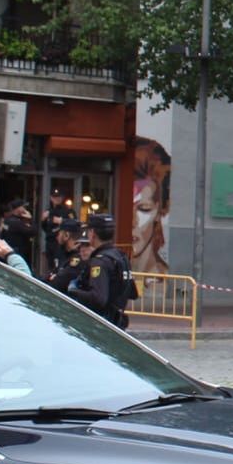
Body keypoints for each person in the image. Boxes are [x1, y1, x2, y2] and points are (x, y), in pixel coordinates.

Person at [67, 213, 134, 327]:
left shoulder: (99, 261)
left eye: (88, 231)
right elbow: (133, 292)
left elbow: (98, 299)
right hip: (116, 322)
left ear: (92, 233)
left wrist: (73, 291)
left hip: (101, 323)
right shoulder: (120, 256)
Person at [133, 137, 173, 275]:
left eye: (144, 209)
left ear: (159, 211)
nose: (132, 221)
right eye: (124, 209)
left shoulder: (166, 280)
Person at [48, 219, 86, 294]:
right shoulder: (62, 252)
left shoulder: (79, 257)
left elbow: (57, 283)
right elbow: (50, 274)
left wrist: (54, 277)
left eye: (59, 233)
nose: (57, 237)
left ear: (66, 235)